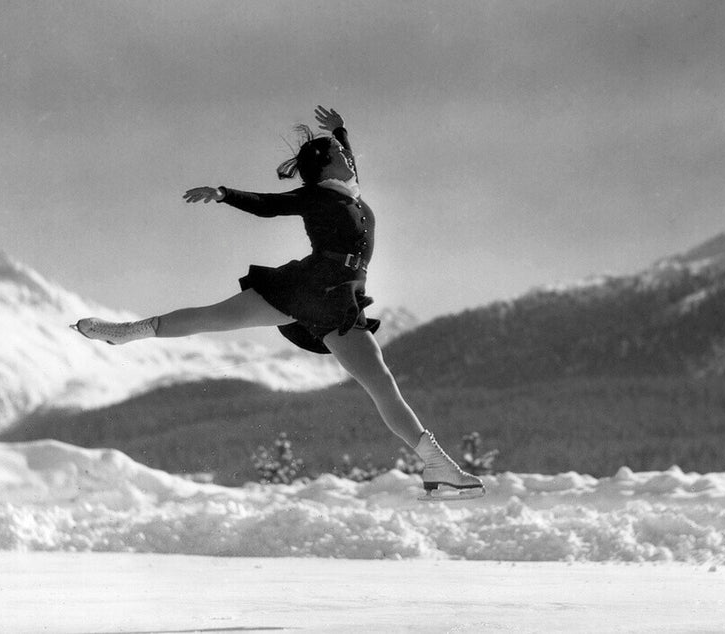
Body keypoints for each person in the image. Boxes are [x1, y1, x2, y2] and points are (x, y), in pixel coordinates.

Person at [72, 106, 485, 501]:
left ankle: (436, 466)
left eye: (345, 153)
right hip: (305, 287)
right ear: (326, 167)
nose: (349, 158)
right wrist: (222, 193)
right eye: (341, 154)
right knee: (214, 318)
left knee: (382, 386)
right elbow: (269, 206)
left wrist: (342, 131)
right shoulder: (318, 196)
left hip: (341, 302)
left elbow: (347, 163)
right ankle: (129, 332)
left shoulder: (348, 191)